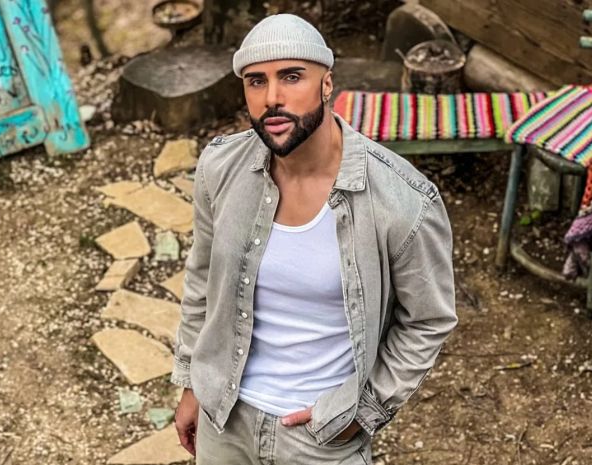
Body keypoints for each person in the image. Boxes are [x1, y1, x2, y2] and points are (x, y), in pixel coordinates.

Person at [171, 13, 458, 464]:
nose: (272, 98)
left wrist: (364, 410)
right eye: (256, 81)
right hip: (223, 417)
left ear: (327, 84)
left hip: (319, 436)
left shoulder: (402, 199)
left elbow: (428, 319)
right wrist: (193, 382)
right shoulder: (220, 168)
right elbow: (202, 281)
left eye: (291, 77)